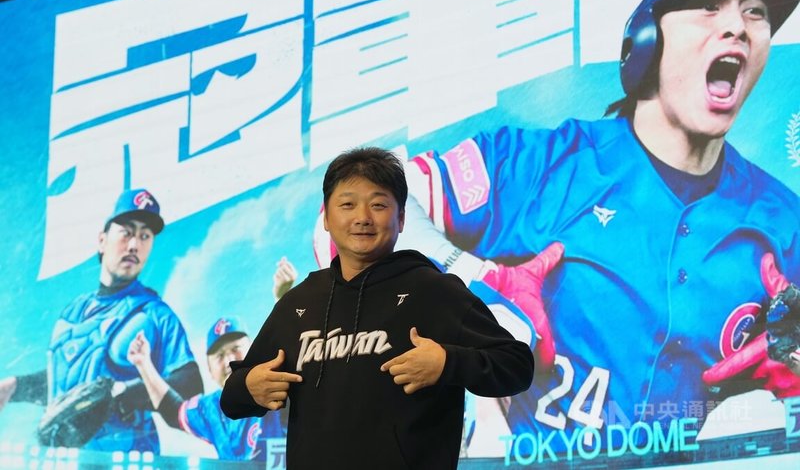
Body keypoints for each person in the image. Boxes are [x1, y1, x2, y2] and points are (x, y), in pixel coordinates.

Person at [394, 0, 800, 452]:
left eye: (755, 12)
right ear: (648, 35)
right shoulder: (542, 165)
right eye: (708, 4)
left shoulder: (784, 221)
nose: (737, 27)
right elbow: (348, 215)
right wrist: (472, 283)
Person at [220, 147, 535, 469]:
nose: (362, 218)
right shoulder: (299, 303)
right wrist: (249, 386)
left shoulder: (434, 291)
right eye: (347, 204)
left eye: (378, 205)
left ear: (401, 218)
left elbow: (516, 365)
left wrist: (447, 363)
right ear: (327, 218)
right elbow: (232, 398)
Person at [0, 189, 202, 453]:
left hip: (128, 459)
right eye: (127, 232)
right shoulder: (73, 313)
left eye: (145, 236)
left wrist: (126, 395)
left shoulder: (155, 315)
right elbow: (70, 385)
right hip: (67, 462)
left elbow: (190, 385)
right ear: (102, 241)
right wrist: (16, 386)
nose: (134, 245)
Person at [128, 316, 285, 461]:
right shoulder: (212, 408)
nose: (229, 361)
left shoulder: (280, 389)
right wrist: (143, 363)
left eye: (236, 349)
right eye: (220, 356)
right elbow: (173, 412)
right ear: (210, 371)